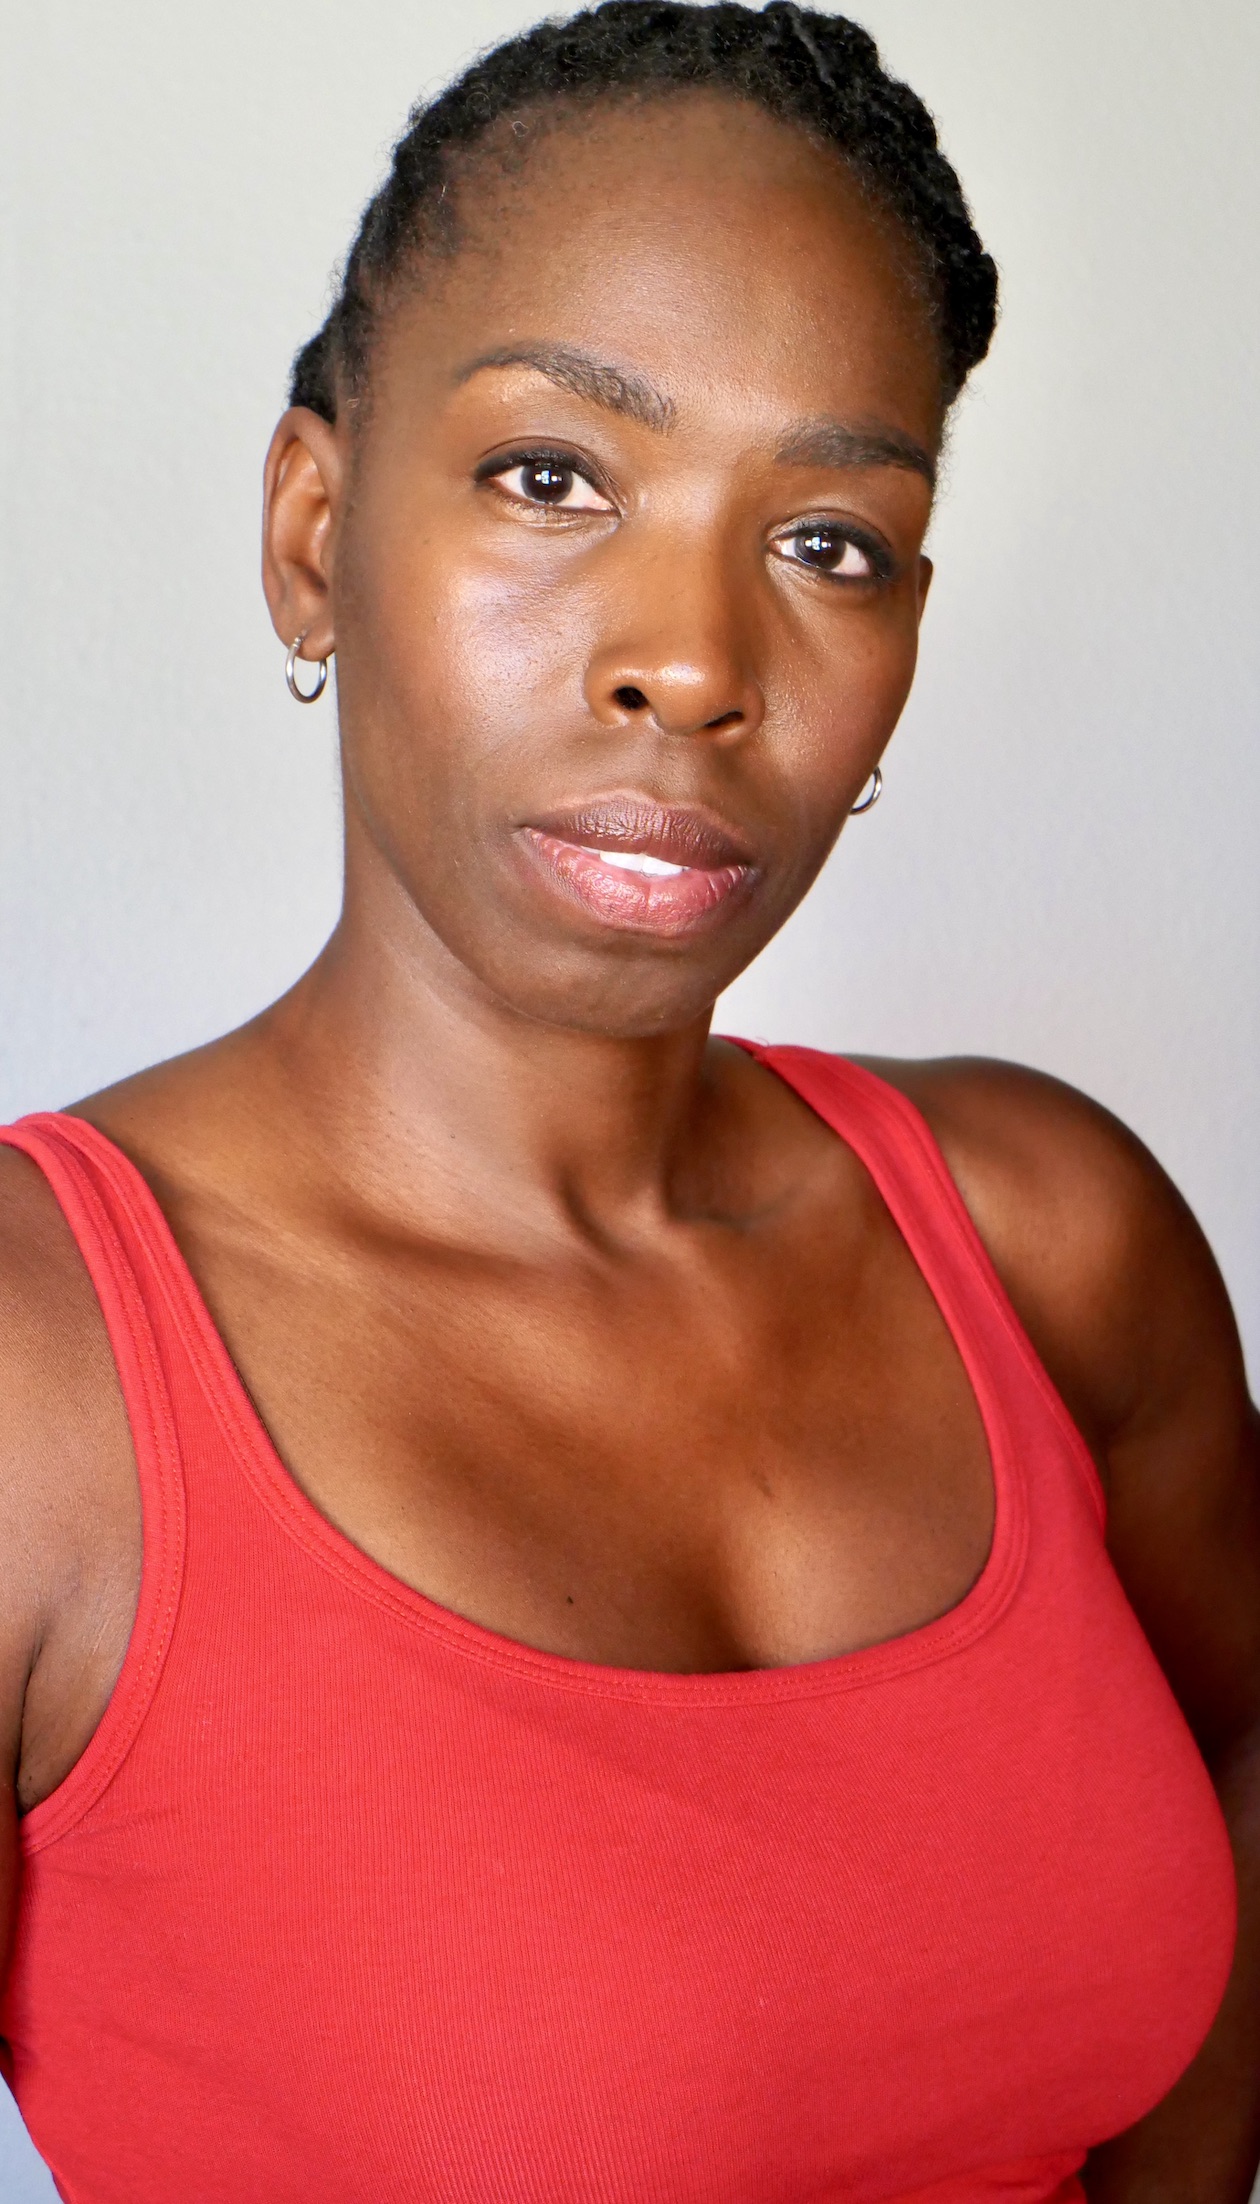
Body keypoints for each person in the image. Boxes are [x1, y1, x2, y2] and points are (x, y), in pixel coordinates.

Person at [1, 3, 1257, 2198]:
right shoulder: (41, 1389)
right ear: (313, 529)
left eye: (831, 540)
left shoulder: (1053, 1231)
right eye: (553, 476)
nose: (693, 662)